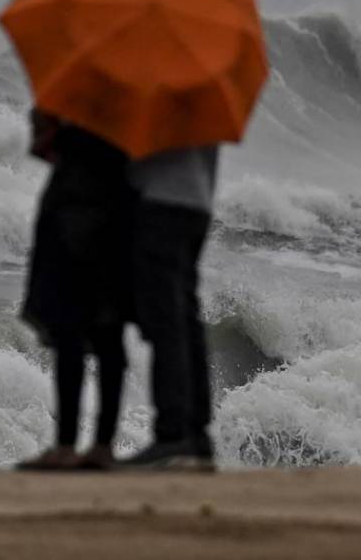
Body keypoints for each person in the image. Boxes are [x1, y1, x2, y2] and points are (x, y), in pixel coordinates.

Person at [16, 109, 137, 471]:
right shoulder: (127, 114)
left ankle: (73, 445)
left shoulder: (81, 112)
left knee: (78, 340)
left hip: (82, 228)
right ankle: (99, 445)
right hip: (111, 226)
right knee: (105, 340)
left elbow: (45, 148)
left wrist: (51, 125)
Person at [117, 145, 220, 471]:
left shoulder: (159, 101)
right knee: (186, 316)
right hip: (198, 204)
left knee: (166, 319)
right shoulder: (205, 96)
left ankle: (172, 433)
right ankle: (197, 434)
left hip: (163, 205)